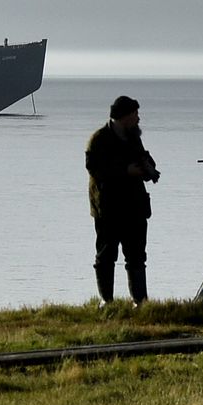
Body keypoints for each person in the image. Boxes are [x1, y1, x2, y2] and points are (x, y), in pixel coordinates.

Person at [85, 94, 159, 304]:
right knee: (106, 256)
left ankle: (140, 302)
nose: (138, 118)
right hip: (108, 209)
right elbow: (94, 168)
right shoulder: (99, 139)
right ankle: (106, 301)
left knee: (136, 255)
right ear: (124, 116)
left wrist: (148, 168)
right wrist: (125, 171)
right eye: (135, 114)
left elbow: (142, 156)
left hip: (134, 208)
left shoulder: (133, 137)